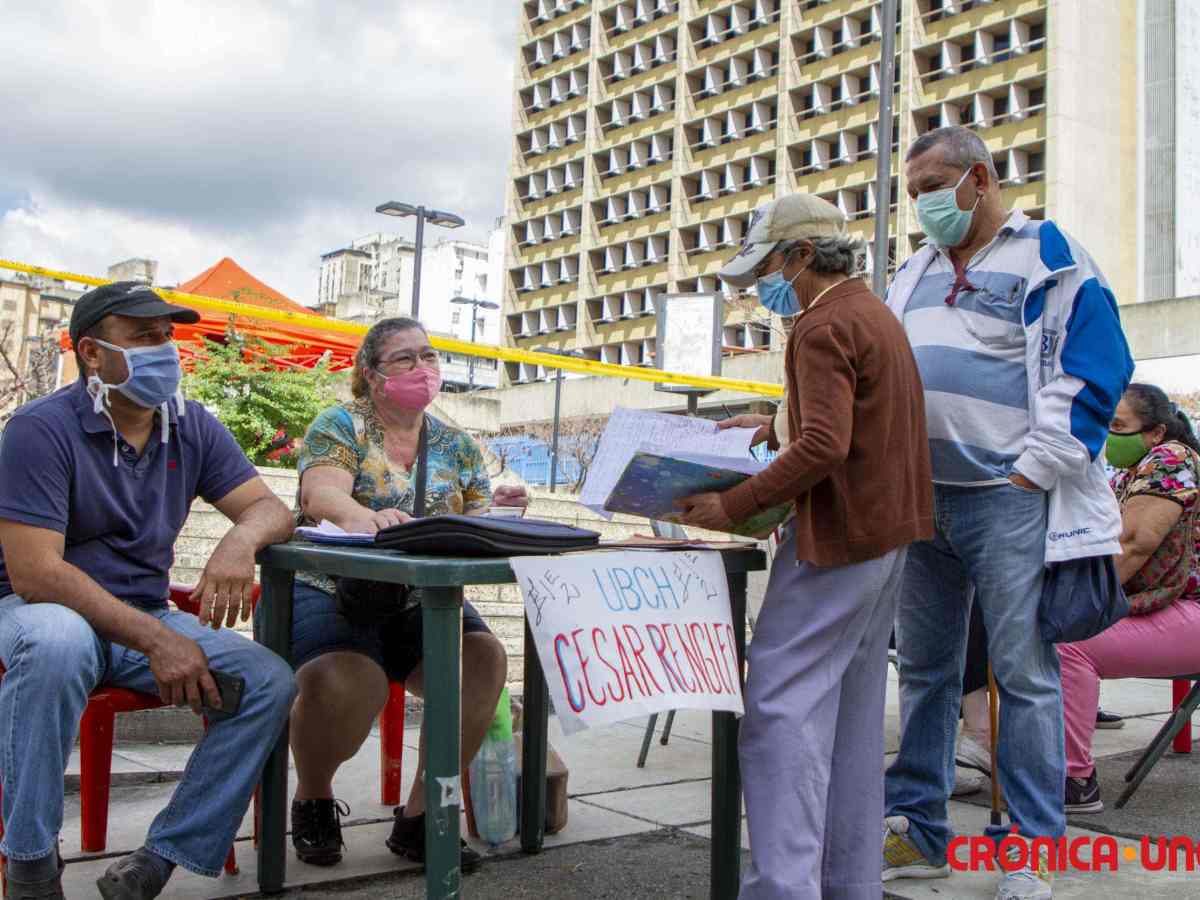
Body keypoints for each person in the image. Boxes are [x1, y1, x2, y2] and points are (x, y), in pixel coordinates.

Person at [880, 126, 1133, 900]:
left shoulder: (1049, 255)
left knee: (1022, 674)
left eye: (932, 184)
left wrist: (1030, 473)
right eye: (913, 188)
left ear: (980, 179)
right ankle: (917, 832)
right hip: (921, 501)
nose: (921, 201)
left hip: (1006, 501)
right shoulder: (912, 270)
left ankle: (1030, 850)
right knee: (923, 671)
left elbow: (1096, 367)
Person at [0, 281, 297, 900]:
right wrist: (157, 639)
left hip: (142, 615)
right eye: (143, 337)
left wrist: (239, 543)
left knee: (268, 680)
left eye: (168, 336)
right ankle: (30, 864)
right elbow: (36, 574)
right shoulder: (39, 430)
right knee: (57, 643)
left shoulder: (190, 426)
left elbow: (270, 508)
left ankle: (160, 859)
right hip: (40, 613)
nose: (165, 350)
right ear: (91, 352)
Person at [678, 193, 933, 899]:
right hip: (889, 535)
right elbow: (852, 420)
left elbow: (827, 442)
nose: (761, 286)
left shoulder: (819, 326)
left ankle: (784, 888)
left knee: (778, 713)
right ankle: (850, 883)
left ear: (797, 257)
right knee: (850, 725)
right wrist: (777, 421)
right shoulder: (872, 312)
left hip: (839, 541)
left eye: (765, 267)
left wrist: (734, 504)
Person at [284, 317, 526, 872]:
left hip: (421, 596)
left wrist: (506, 512)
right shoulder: (341, 425)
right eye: (405, 359)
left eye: (429, 356)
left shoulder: (456, 444)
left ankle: (421, 819)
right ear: (372, 374)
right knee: (350, 682)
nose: (423, 369)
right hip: (336, 588)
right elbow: (320, 493)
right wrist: (365, 517)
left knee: (484, 659)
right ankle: (314, 797)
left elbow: (477, 517)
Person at [1059, 383, 1200, 812]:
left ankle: (1074, 780)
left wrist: (1076, 602)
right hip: (1175, 607)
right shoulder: (1129, 469)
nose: (1108, 434)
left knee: (1069, 642)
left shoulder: (1171, 459)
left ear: (1155, 432)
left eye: (1118, 426)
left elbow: (1135, 543)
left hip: (1191, 608)